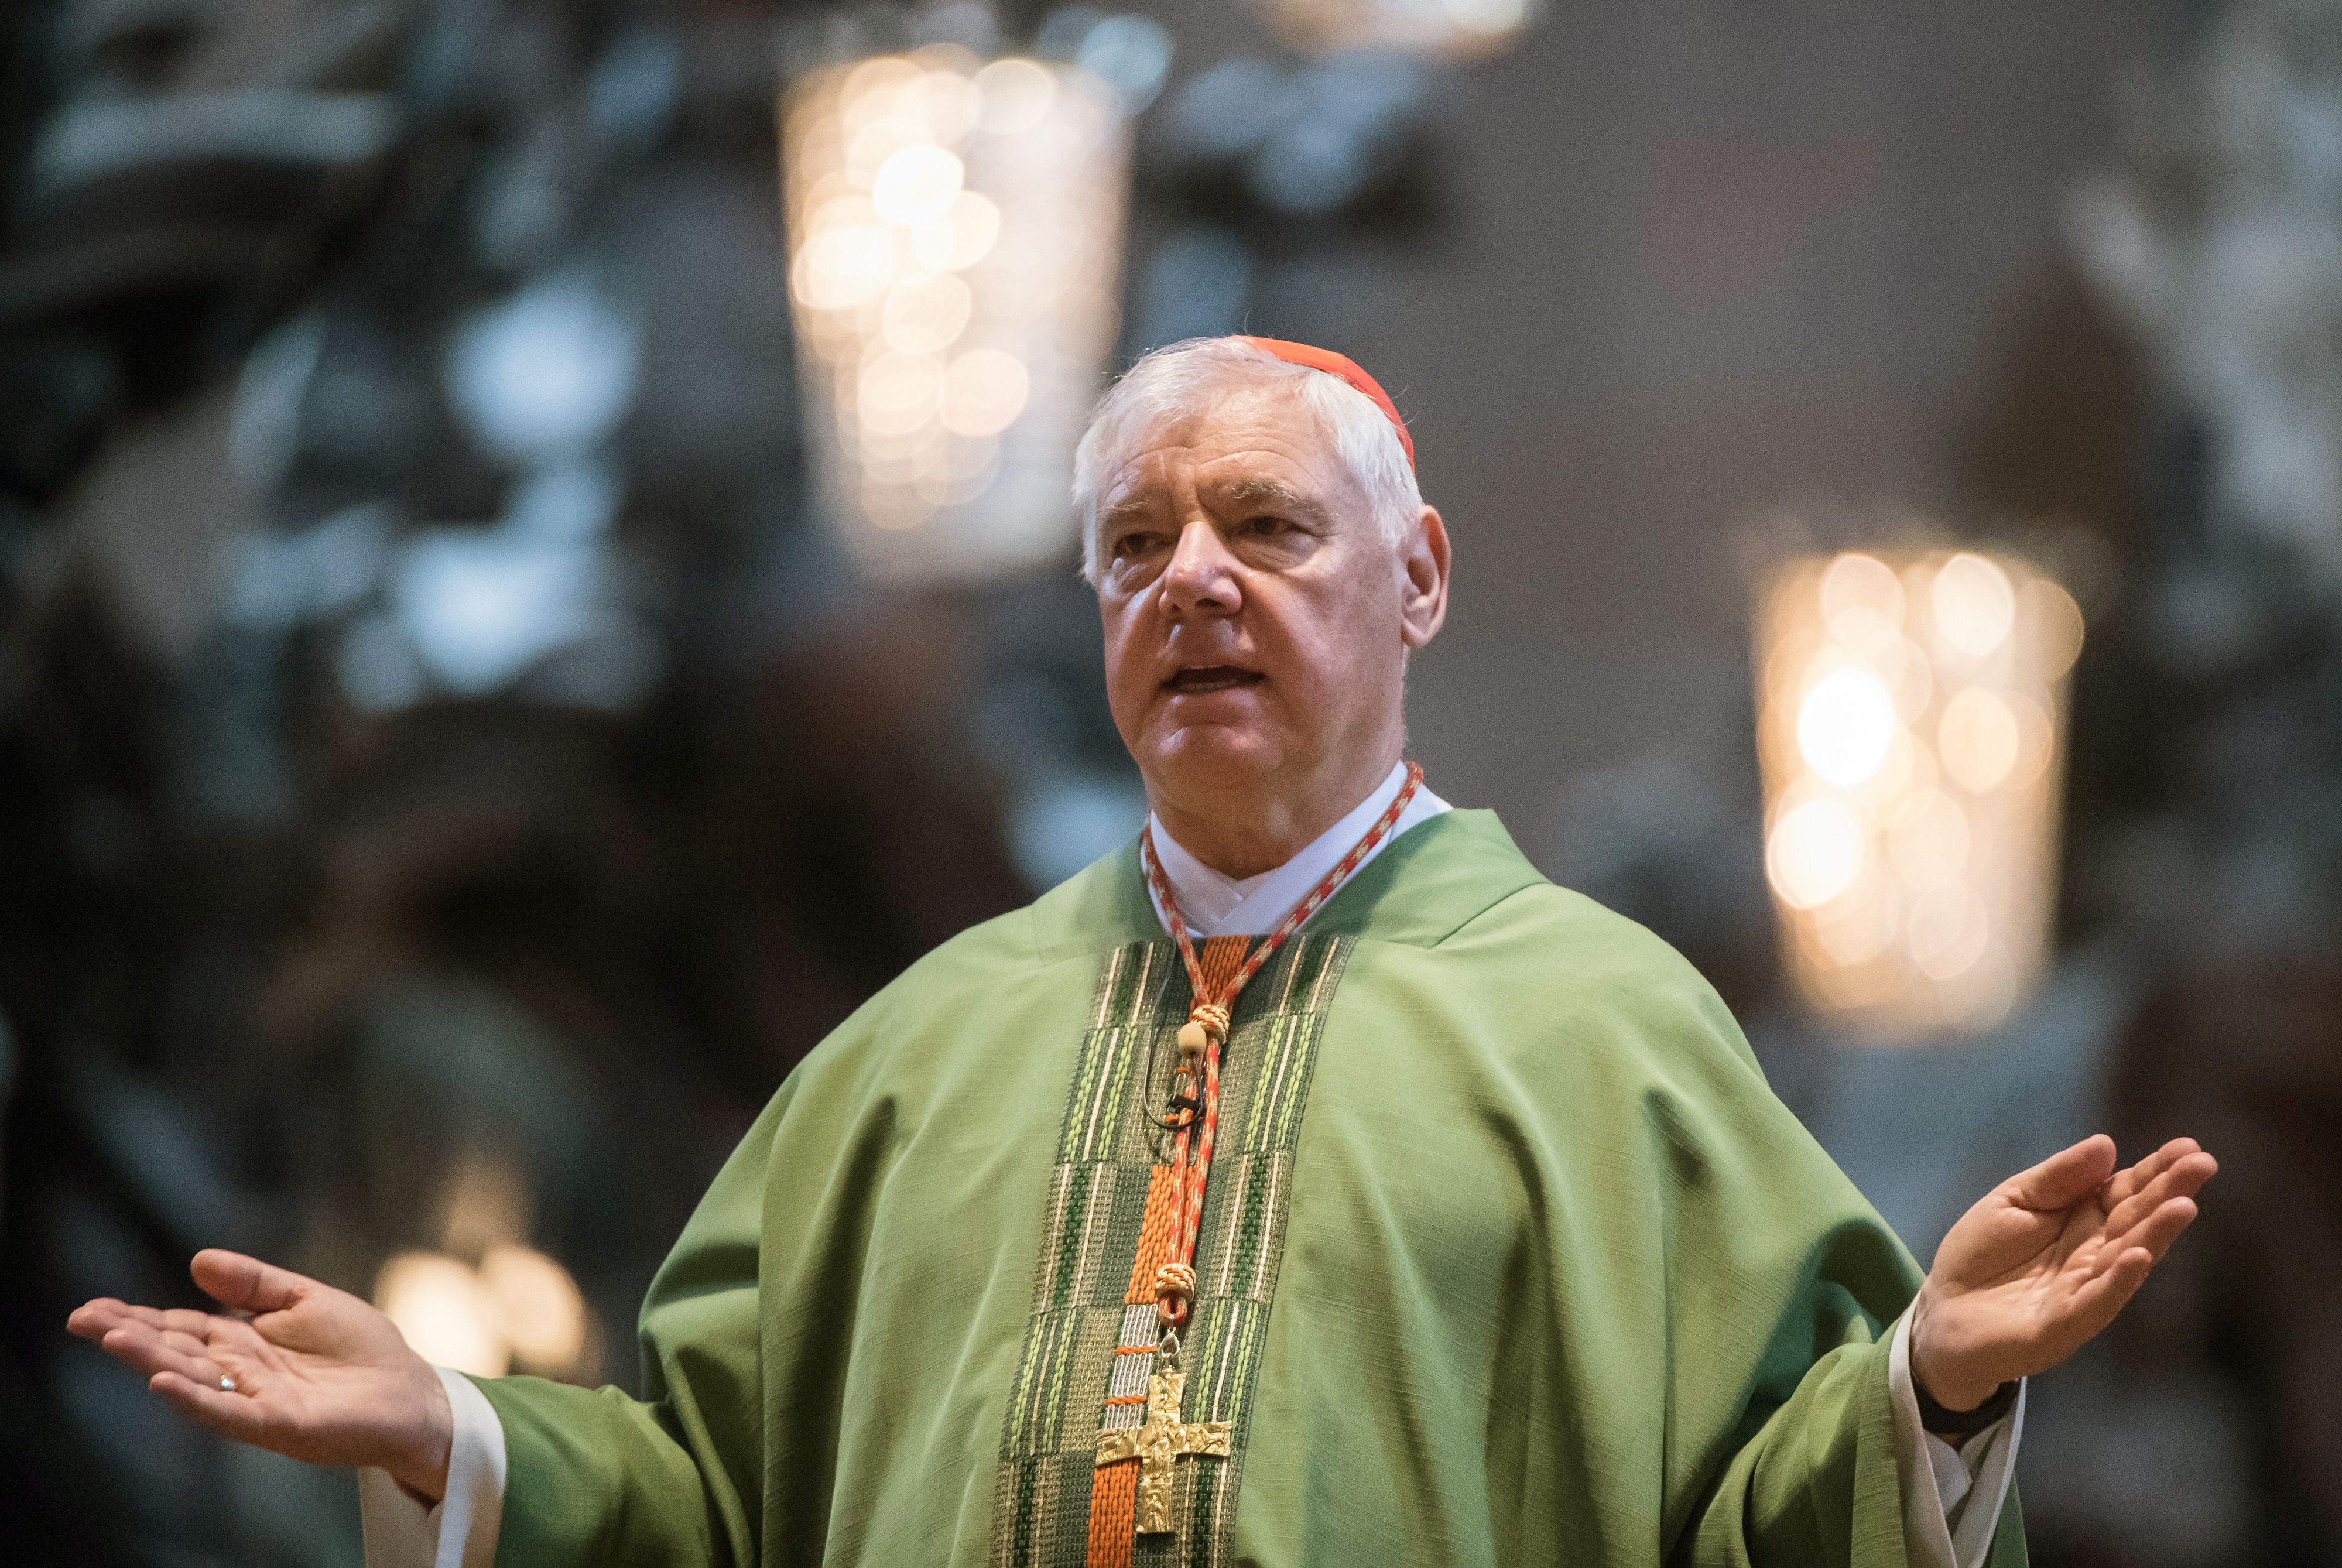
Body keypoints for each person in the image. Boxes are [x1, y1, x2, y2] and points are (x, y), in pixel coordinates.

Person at [70, 336, 2217, 1568]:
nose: (1192, 579)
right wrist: (454, 1430)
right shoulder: (920, 1054)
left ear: (1421, 579)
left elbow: (1768, 1522)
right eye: (1132, 545)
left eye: (1267, 528)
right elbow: (711, 1506)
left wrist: (1928, 1390)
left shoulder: (1610, 1035)